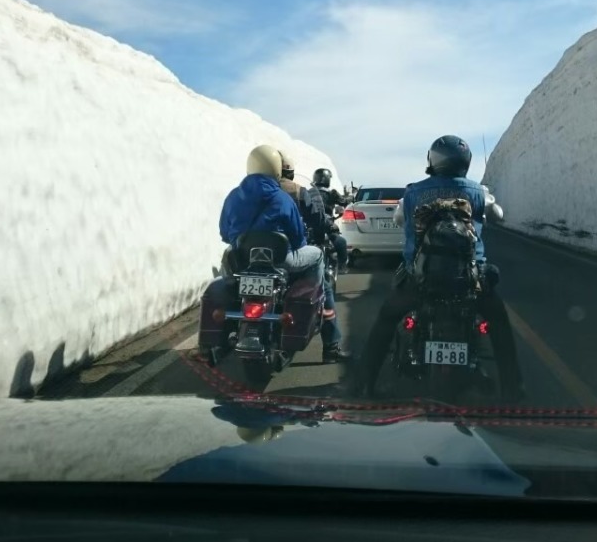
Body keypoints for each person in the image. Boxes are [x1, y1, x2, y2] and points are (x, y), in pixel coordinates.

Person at [350, 135, 525, 401]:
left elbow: (399, 218)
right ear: (465, 162)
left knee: (386, 319)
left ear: (433, 159)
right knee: (499, 321)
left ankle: (364, 386)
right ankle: (513, 389)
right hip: (470, 281)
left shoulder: (413, 192)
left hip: (420, 280)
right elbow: (498, 215)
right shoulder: (478, 192)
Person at [219, 145, 349, 362]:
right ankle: (316, 301)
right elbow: (298, 237)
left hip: (244, 261)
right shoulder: (287, 196)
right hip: (281, 260)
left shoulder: (234, 195)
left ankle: (226, 326)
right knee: (317, 256)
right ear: (278, 169)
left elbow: (224, 231)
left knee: (227, 265)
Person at [312, 168, 350, 272]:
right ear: (326, 179)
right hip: (326, 224)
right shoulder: (331, 193)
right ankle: (342, 265)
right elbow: (344, 201)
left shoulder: (309, 192)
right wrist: (349, 199)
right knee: (341, 241)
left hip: (311, 226)